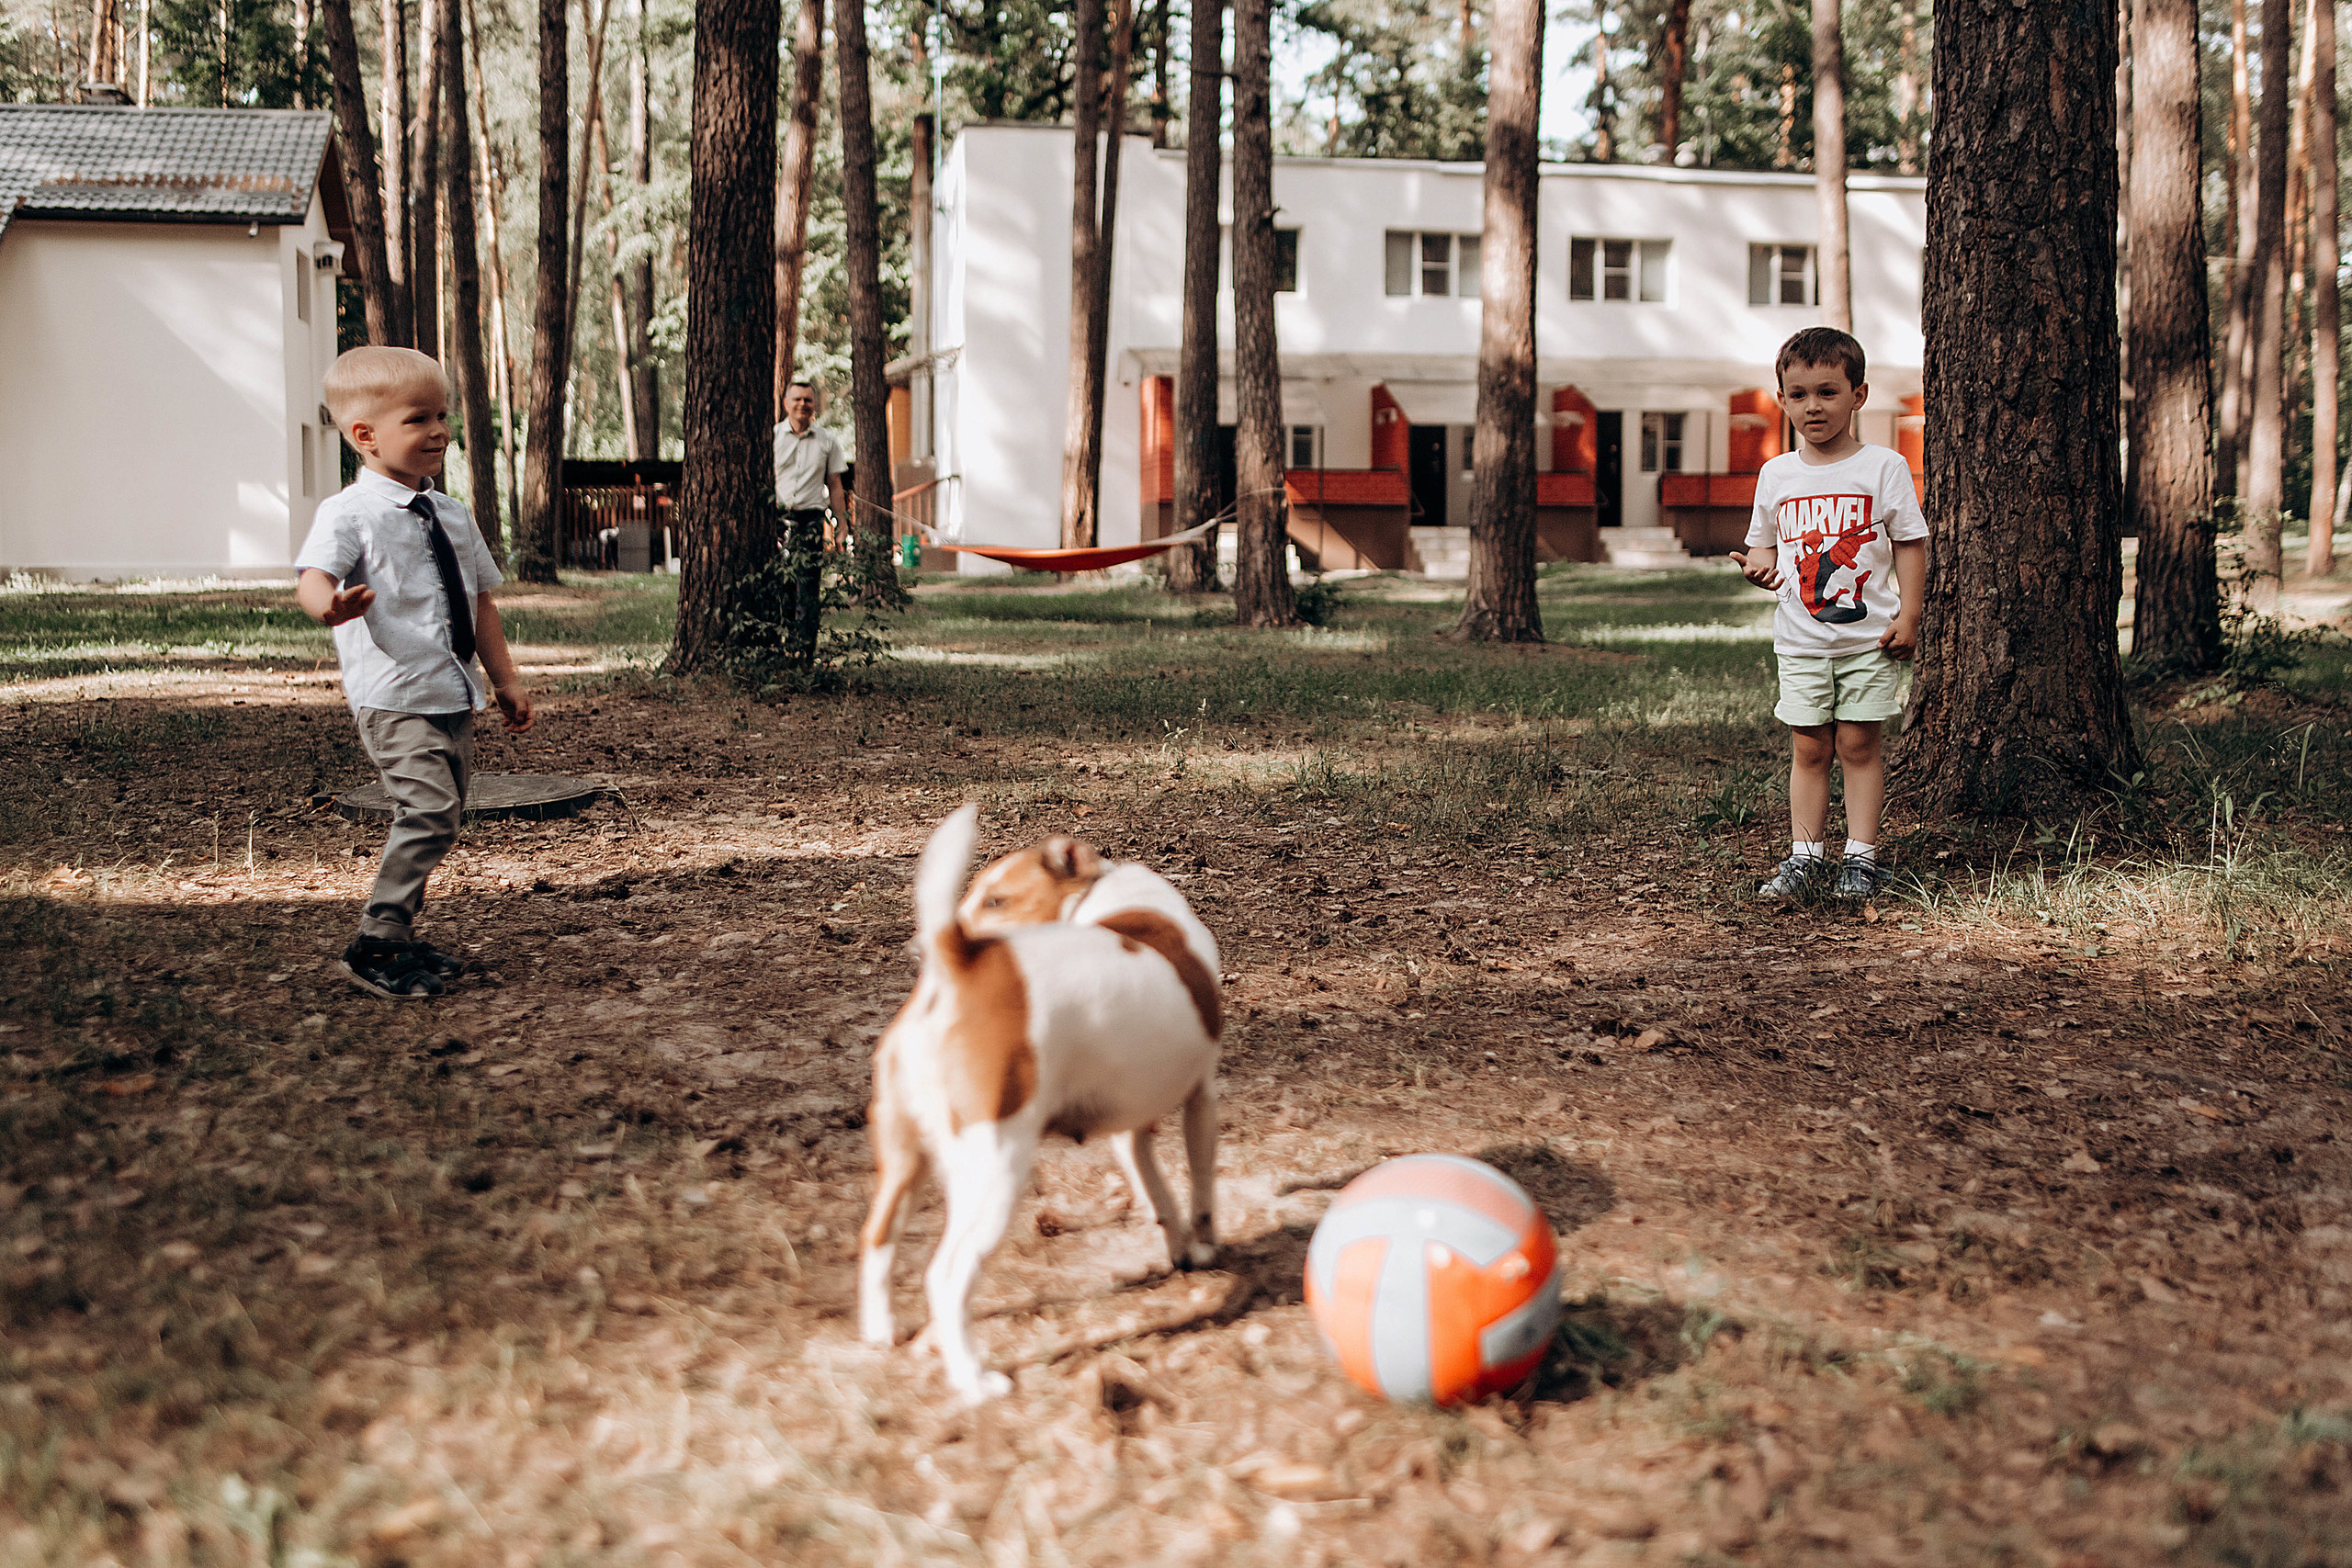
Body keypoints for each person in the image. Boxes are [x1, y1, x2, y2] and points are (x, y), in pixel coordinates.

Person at [295, 346, 537, 998]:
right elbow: (313, 576)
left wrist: (505, 679)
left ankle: (397, 933)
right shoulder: (350, 513)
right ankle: (376, 942)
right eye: (418, 419)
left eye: (442, 415)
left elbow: (481, 602)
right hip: (395, 695)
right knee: (428, 811)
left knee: (443, 816)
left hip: (452, 691)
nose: (438, 431)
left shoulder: (451, 514)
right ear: (365, 435)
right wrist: (329, 606)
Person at [1729, 326, 1928, 899]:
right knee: (1810, 748)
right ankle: (1805, 858)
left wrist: (1911, 615)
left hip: (1869, 640)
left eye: (1827, 392)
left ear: (1857, 396)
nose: (1812, 406)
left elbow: (1911, 543)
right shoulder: (1776, 474)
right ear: (1782, 400)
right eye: (1798, 394)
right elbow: (1764, 547)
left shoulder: (1884, 467)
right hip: (1800, 642)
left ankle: (1860, 860)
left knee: (1859, 747)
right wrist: (1757, 569)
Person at [774, 379, 850, 542]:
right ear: (786, 404)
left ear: (814, 404)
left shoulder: (827, 440)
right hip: (777, 518)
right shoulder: (773, 436)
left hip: (811, 520)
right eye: (797, 399)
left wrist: (842, 525)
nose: (803, 404)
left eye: (807, 400)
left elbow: (835, 485)